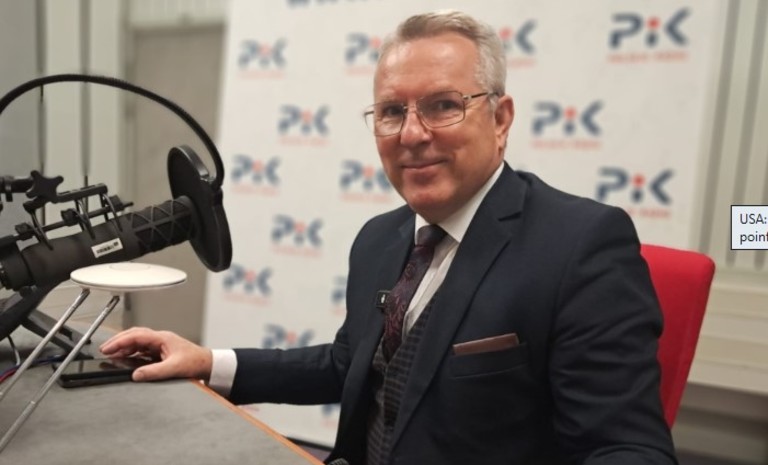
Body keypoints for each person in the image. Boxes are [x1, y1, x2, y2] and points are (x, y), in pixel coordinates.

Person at [101, 10, 678, 465]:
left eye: (443, 106)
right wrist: (208, 362)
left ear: (500, 119)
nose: (412, 134)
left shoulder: (581, 245)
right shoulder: (380, 238)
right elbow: (349, 363)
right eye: (391, 111)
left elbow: (626, 450)